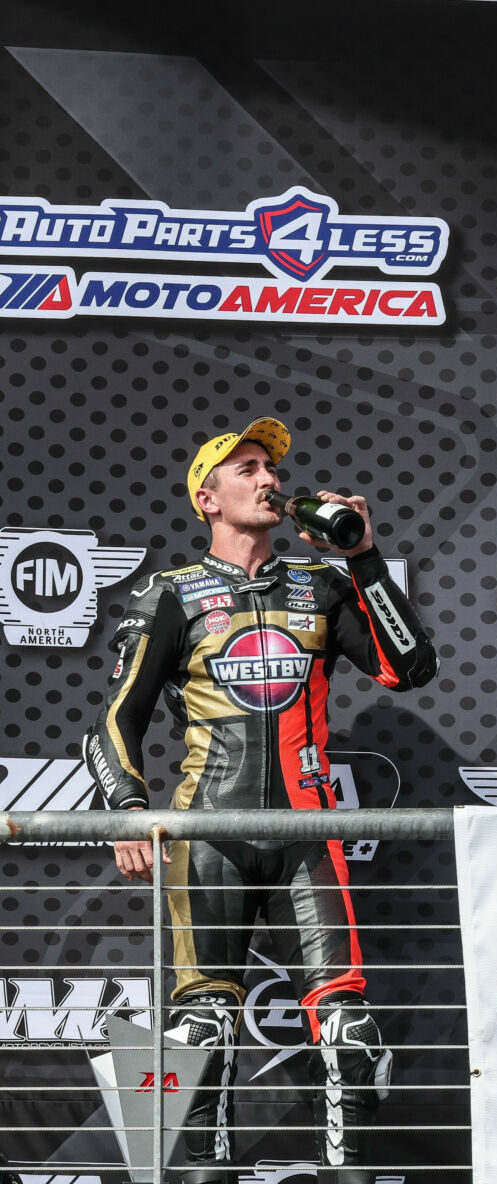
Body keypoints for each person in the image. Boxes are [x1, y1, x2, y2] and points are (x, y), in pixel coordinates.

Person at [86, 418, 436, 1184]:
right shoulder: (171, 596)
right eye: (247, 468)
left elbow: (411, 670)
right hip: (209, 831)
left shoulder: (322, 585)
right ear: (207, 498)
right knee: (200, 1028)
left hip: (308, 833)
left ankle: (347, 1176)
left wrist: (364, 557)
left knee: (345, 1028)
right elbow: (117, 720)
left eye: (272, 466)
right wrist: (126, 805)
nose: (269, 477)